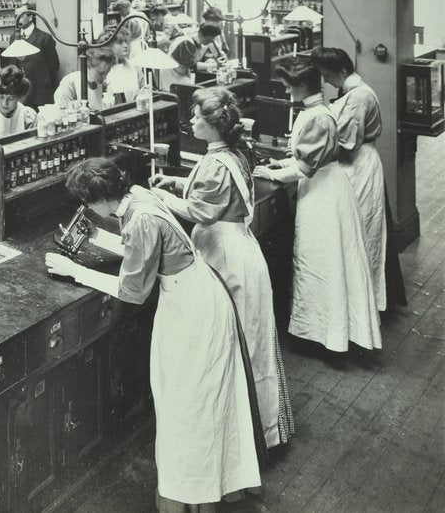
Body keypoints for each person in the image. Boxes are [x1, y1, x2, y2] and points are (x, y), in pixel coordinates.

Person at [46, 158, 262, 509]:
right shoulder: (138, 197)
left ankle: (189, 494)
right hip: (196, 295)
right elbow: (145, 252)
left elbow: (133, 290)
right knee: (194, 403)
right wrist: (98, 236)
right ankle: (199, 492)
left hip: (192, 311)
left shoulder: (141, 218)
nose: (87, 209)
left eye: (87, 203)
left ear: (100, 199)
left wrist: (75, 271)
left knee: (187, 408)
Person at [151, 88, 293, 448]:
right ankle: (253, 432)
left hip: (225, 256)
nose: (191, 121)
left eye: (197, 116)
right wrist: (178, 183)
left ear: (213, 126)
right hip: (240, 250)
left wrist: (159, 196)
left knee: (231, 343)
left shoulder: (215, 162)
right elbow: (214, 190)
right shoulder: (230, 152)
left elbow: (203, 211)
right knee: (250, 342)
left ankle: (236, 439)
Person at [254, 59, 381, 353]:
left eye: (288, 85)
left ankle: (329, 335)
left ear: (301, 86)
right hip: (319, 189)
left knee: (323, 261)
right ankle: (321, 331)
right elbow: (307, 157)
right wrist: (282, 162)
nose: (285, 90)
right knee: (320, 260)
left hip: (325, 194)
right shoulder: (315, 111)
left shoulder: (319, 117)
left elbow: (306, 166)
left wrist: (270, 172)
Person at [312, 47, 405, 310]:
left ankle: (361, 302)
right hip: (358, 162)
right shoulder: (353, 90)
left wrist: (309, 148)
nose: (326, 81)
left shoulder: (358, 97)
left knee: (360, 232)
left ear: (343, 70)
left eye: (328, 75)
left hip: (358, 165)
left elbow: (346, 142)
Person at [9, 4, 59, 109]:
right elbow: (12, 66)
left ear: (31, 17)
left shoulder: (44, 39)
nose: (17, 19)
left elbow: (53, 67)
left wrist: (44, 86)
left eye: (21, 16)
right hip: (20, 95)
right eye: (15, 16)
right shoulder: (13, 38)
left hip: (39, 96)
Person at [158, 22, 221, 91]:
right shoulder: (187, 42)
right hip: (170, 74)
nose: (209, 42)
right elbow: (192, 65)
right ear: (200, 34)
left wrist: (209, 61)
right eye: (208, 40)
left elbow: (195, 58)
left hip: (179, 73)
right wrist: (215, 65)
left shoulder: (195, 41)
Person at [53, 46, 117, 111]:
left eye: (107, 73)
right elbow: (63, 113)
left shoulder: (104, 84)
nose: (104, 77)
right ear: (89, 66)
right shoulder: (69, 83)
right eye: (101, 73)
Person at [0, 65, 38, 139]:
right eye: (1, 97)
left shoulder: (29, 117)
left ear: (19, 97)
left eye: (11, 99)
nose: (4, 103)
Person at [99, 29, 144, 103]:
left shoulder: (134, 67)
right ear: (108, 46)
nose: (125, 45)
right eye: (120, 42)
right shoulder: (101, 71)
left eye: (126, 41)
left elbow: (143, 91)